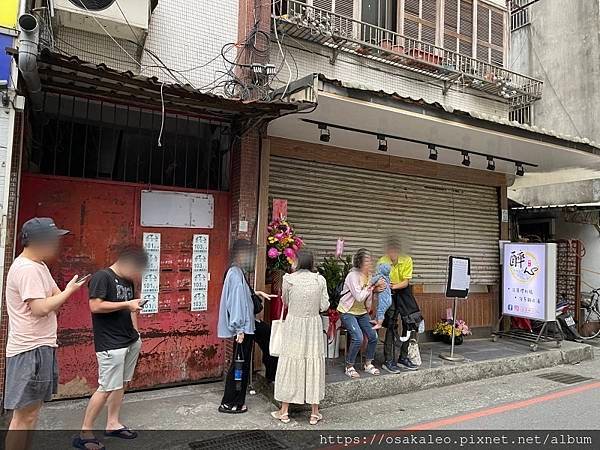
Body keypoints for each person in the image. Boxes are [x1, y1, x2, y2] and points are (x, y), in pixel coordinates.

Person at [4, 218, 87, 450]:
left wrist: (64, 293)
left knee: (32, 414)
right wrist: (69, 291)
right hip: (29, 350)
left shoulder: (39, 266)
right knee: (23, 418)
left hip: (41, 347)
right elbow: (41, 308)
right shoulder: (27, 269)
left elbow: (54, 297)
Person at [73, 245, 149, 450]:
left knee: (121, 384)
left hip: (130, 340)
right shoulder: (102, 277)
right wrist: (127, 305)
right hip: (110, 343)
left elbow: (132, 308)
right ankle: (85, 433)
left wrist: (137, 334)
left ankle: (112, 423)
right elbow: (95, 306)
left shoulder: (128, 280)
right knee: (106, 387)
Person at [271, 250, 329, 425]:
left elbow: (285, 301)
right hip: (312, 326)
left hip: (294, 325)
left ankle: (284, 411)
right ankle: (314, 413)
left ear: (298, 262)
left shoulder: (288, 279)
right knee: (313, 363)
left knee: (290, 362)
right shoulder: (320, 280)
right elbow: (324, 305)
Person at [217, 239, 273, 413]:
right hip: (243, 327)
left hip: (249, 324)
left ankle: (271, 374)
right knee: (239, 363)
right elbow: (234, 302)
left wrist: (256, 292)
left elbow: (241, 295)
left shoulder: (237, 271)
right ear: (240, 254)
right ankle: (230, 402)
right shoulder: (234, 273)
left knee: (267, 336)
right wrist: (239, 329)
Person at [337, 249, 384, 378]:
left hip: (362, 312)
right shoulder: (352, 276)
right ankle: (349, 366)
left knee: (373, 336)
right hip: (347, 311)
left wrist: (370, 308)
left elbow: (368, 297)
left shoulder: (369, 276)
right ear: (360, 262)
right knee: (358, 337)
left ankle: (368, 364)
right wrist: (372, 287)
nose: (370, 262)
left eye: (370, 259)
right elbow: (359, 296)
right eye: (367, 260)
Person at [379, 237, 419, 373]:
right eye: (390, 250)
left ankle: (403, 357)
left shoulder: (407, 260)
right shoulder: (382, 261)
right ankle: (388, 360)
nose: (393, 253)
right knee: (390, 325)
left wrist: (393, 286)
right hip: (388, 293)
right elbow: (379, 281)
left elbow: (406, 282)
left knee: (409, 323)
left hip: (403, 291)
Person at [370, 263, 392, 330]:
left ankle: (379, 324)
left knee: (380, 311)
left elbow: (371, 281)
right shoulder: (387, 278)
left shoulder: (379, 277)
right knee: (379, 309)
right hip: (388, 299)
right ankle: (376, 320)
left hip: (384, 299)